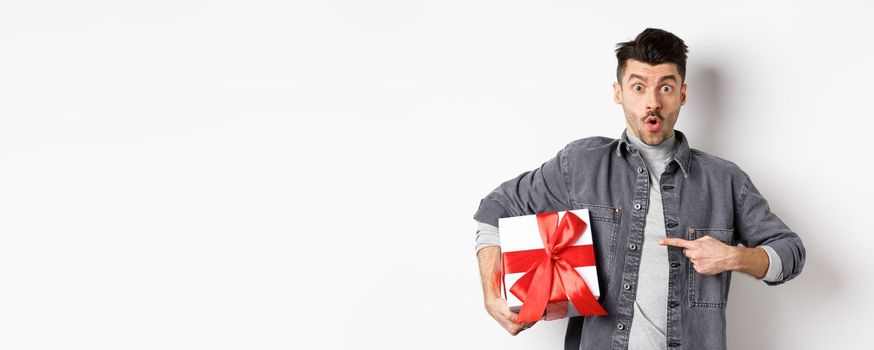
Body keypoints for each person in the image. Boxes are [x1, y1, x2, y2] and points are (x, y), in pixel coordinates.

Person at [473, 28, 805, 350]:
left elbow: (790, 253)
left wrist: (733, 256)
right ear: (618, 93)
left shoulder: (725, 180)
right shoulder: (580, 165)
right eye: (638, 87)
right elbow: (495, 208)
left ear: (682, 94)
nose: (652, 102)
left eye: (665, 87)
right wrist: (492, 295)